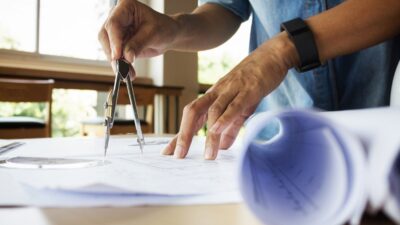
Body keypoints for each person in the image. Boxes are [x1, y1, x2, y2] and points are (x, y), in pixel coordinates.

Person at [98, 0, 400, 160]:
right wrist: (175, 27)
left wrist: (282, 50)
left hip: (384, 134)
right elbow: (226, 8)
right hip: (278, 140)